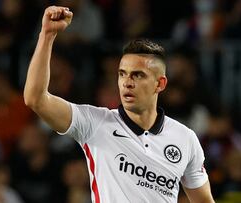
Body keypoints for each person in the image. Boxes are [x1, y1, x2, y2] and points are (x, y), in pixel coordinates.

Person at [24, 6, 215, 203]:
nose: (127, 82)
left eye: (137, 75)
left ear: (160, 83)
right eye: (122, 74)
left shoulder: (185, 138)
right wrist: (47, 35)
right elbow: (35, 98)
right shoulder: (95, 123)